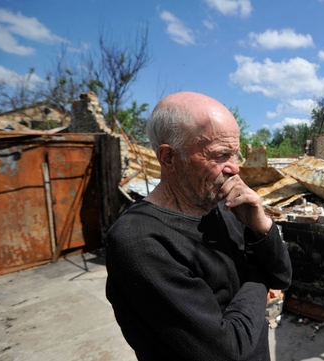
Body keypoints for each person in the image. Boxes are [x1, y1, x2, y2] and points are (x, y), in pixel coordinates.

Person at [105, 92, 292, 361]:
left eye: (235, 154)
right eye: (220, 155)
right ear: (169, 158)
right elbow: (228, 350)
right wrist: (258, 275)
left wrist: (261, 225)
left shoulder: (223, 208)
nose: (235, 168)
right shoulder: (139, 241)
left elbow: (282, 276)